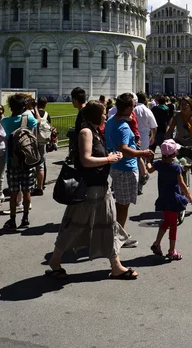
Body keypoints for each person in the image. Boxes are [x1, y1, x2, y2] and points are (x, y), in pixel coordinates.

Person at [47, 100, 138, 279]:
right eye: (103, 112)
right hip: (89, 189)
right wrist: (108, 160)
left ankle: (116, 265)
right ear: (95, 114)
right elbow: (86, 160)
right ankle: (55, 260)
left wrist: (111, 156)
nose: (106, 115)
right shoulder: (86, 132)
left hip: (100, 187)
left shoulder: (95, 132)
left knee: (109, 225)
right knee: (75, 226)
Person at [105, 93, 154, 246]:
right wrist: (143, 153)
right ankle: (119, 237)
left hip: (116, 166)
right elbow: (124, 149)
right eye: (132, 106)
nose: (134, 109)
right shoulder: (123, 127)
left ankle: (117, 232)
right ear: (127, 108)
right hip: (126, 167)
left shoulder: (112, 121)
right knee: (123, 205)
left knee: (120, 202)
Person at [147, 139, 192, 260]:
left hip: (163, 198)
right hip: (173, 199)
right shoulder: (176, 167)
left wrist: (148, 160)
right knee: (173, 226)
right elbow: (182, 184)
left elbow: (149, 169)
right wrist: (189, 195)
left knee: (166, 222)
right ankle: (172, 250)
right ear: (174, 154)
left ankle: (157, 243)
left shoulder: (158, 164)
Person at [1, 93, 40, 230]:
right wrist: (30, 109)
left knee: (13, 192)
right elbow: (38, 123)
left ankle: (12, 220)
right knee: (26, 191)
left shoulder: (5, 122)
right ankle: (25, 218)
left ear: (11, 107)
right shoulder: (28, 118)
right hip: (27, 161)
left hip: (12, 161)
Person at [166, 96, 192, 210]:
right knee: (176, 170)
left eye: (185, 104)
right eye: (181, 104)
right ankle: (180, 192)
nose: (183, 107)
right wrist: (167, 139)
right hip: (180, 146)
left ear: (191, 106)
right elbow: (170, 128)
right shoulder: (177, 115)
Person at [32, 96, 51, 195]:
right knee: (42, 162)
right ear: (45, 104)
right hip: (43, 140)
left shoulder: (33, 113)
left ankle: (33, 183)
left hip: (33, 139)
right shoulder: (47, 114)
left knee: (32, 161)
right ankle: (41, 184)